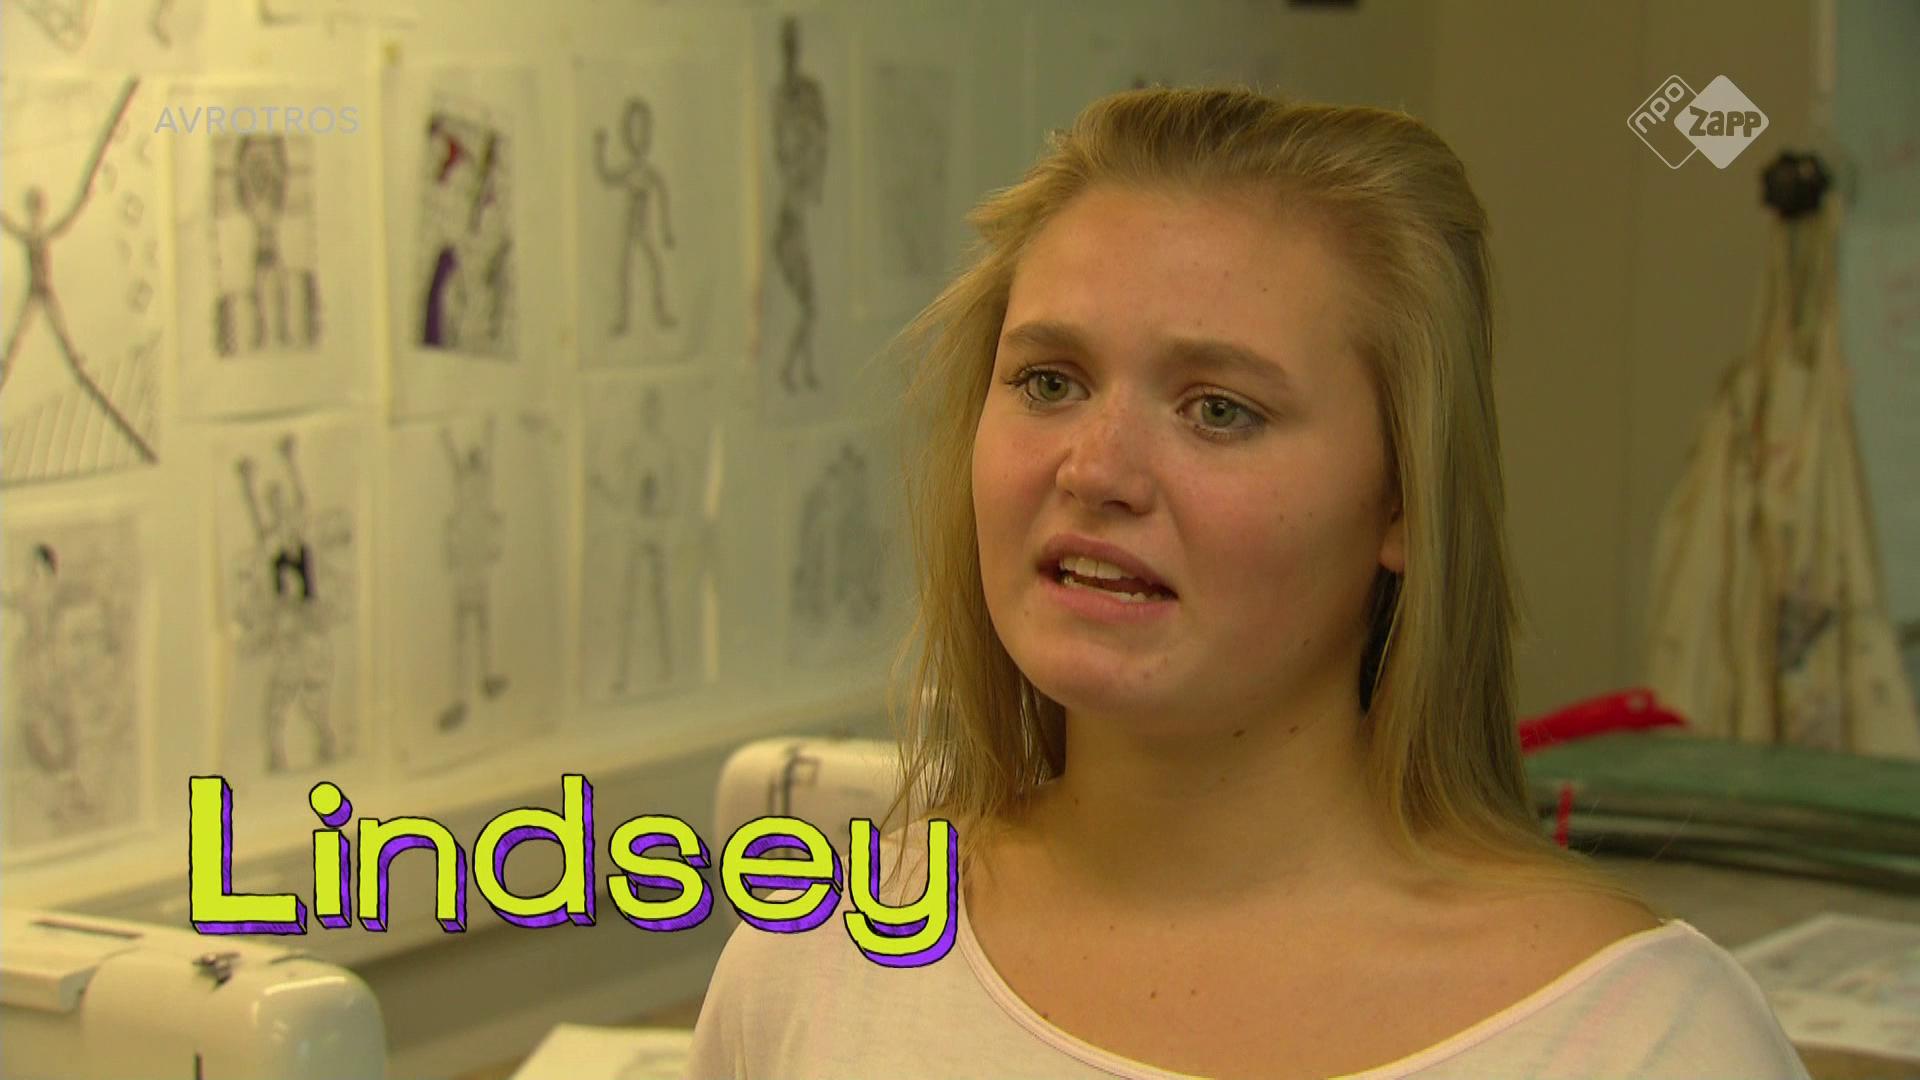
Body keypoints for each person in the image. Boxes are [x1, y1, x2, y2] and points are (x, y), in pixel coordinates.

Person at [686, 87, 1811, 1079]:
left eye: (1219, 409)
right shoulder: (818, 970)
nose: (1096, 470)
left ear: (1402, 504)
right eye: (1049, 381)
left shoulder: (1640, 1040)